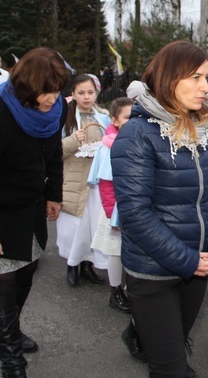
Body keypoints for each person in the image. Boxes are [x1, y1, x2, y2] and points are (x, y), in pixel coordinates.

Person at [110, 40, 208, 377]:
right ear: (169, 78)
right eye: (196, 77)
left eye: (206, 77)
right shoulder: (136, 135)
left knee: (175, 346)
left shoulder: (205, 129)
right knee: (170, 368)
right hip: (153, 271)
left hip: (198, 266)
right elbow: (135, 214)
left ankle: (149, 342)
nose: (206, 87)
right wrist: (188, 259)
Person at [0, 47, 70, 378]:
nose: (52, 98)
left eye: (57, 90)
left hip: (32, 209)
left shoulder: (55, 109)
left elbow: (52, 154)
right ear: (27, 87)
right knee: (4, 283)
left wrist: (53, 194)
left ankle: (13, 331)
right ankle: (11, 362)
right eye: (45, 92)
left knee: (26, 275)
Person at [56, 74, 110, 286]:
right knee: (74, 225)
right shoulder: (64, 118)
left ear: (96, 93)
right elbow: (53, 154)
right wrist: (72, 141)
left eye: (90, 92)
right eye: (81, 93)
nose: (86, 97)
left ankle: (88, 264)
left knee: (93, 225)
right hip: (73, 178)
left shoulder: (103, 118)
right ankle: (72, 263)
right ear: (73, 94)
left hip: (96, 182)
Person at [89, 97, 134, 312]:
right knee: (115, 251)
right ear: (115, 121)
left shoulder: (135, 140)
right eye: (127, 117)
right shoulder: (110, 146)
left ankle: (129, 288)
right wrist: (111, 214)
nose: (132, 121)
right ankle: (115, 291)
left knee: (129, 249)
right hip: (115, 209)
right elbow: (107, 183)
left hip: (132, 206)